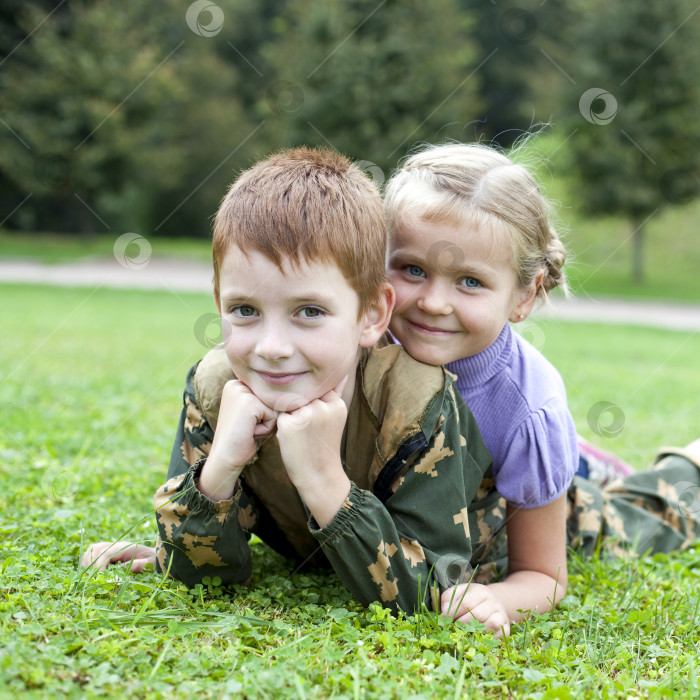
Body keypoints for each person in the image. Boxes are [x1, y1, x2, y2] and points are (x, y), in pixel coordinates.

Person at [82, 146, 503, 626]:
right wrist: (217, 474)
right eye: (245, 310)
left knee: (598, 511)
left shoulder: (414, 400)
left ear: (372, 315)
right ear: (219, 302)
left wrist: (326, 484)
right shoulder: (217, 389)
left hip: (519, 518)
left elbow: (433, 587)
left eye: (310, 311)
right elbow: (200, 577)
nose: (273, 347)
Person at [382, 141, 700, 627]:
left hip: (552, 502)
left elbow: (544, 576)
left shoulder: (528, 407)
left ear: (524, 296)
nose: (432, 302)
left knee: (637, 517)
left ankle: (685, 466)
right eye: (412, 269)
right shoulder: (364, 343)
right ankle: (583, 458)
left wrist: (501, 602)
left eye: (469, 281)